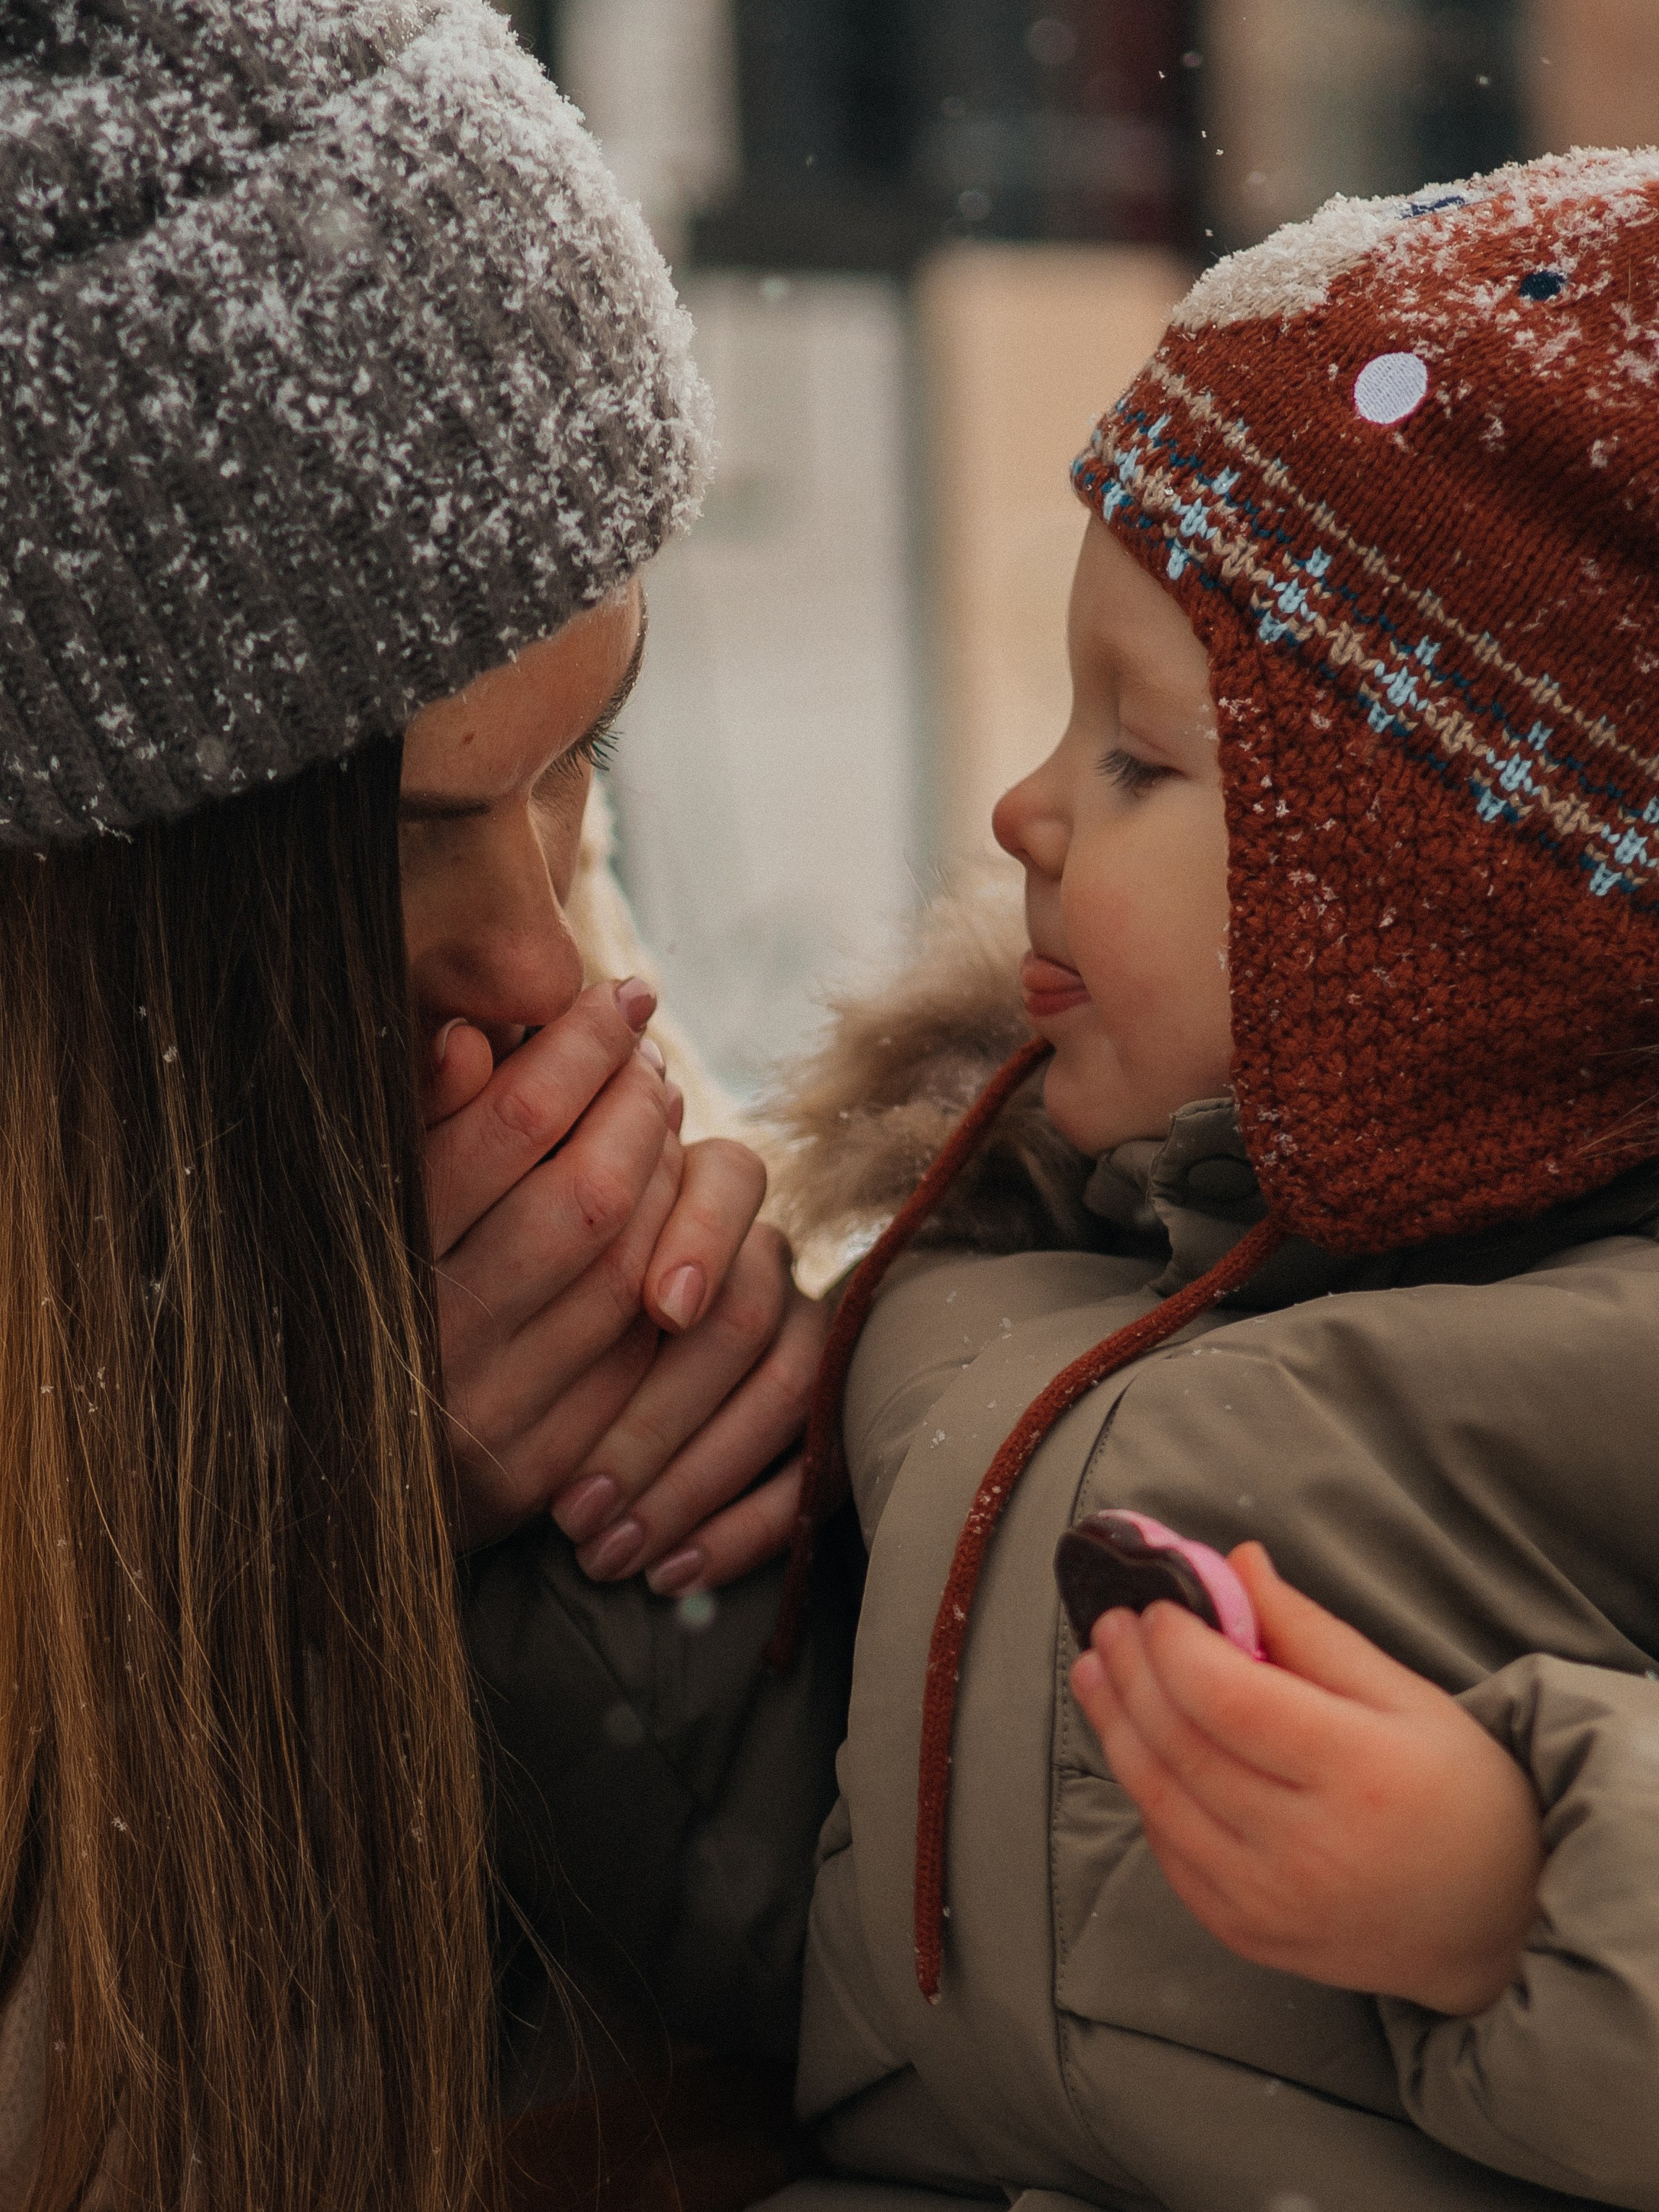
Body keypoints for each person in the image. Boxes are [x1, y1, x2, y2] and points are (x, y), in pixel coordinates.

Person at [0, 3, 849, 2205]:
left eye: (590, 766)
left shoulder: (513, 1034)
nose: (558, 962)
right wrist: (320, 1522)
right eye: (405, 838)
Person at [765, 151, 1659, 2212]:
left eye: (1138, 762)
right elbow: (722, 1873)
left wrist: (1514, 1899)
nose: (1021, 808)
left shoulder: (1614, 1357)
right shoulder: (980, 1289)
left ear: (1443, 920)